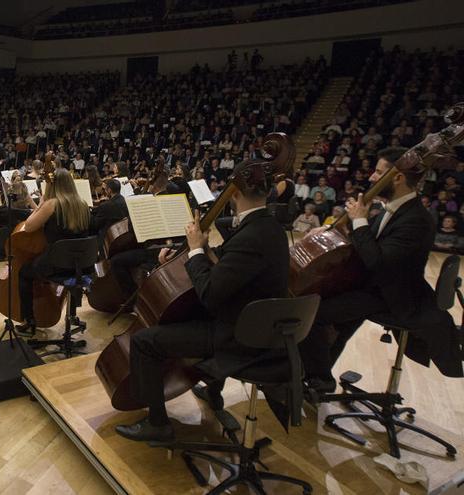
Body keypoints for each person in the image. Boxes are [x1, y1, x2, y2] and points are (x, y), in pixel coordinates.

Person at [115, 158, 289, 443]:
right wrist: (203, 249)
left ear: (233, 193)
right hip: (257, 325)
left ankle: (157, 424)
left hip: (238, 335)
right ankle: (212, 390)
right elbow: (231, 271)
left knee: (144, 341)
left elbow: (210, 294)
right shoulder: (270, 228)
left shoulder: (251, 236)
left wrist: (195, 250)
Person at [300, 147, 463, 393]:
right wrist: (332, 232)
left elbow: (378, 262)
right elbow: (365, 246)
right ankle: (315, 375)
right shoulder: (392, 210)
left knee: (311, 315)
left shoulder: (417, 220)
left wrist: (358, 221)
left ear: (397, 177)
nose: (372, 178)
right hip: (377, 288)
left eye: (378, 172)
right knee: (337, 315)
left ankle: (319, 378)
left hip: (393, 298)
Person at [15, 168, 91, 335]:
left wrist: (41, 204)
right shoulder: (83, 204)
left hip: (57, 264)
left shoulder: (52, 204)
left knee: (23, 272)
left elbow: (28, 227)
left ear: (52, 185)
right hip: (82, 265)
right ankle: (68, 315)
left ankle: (29, 320)